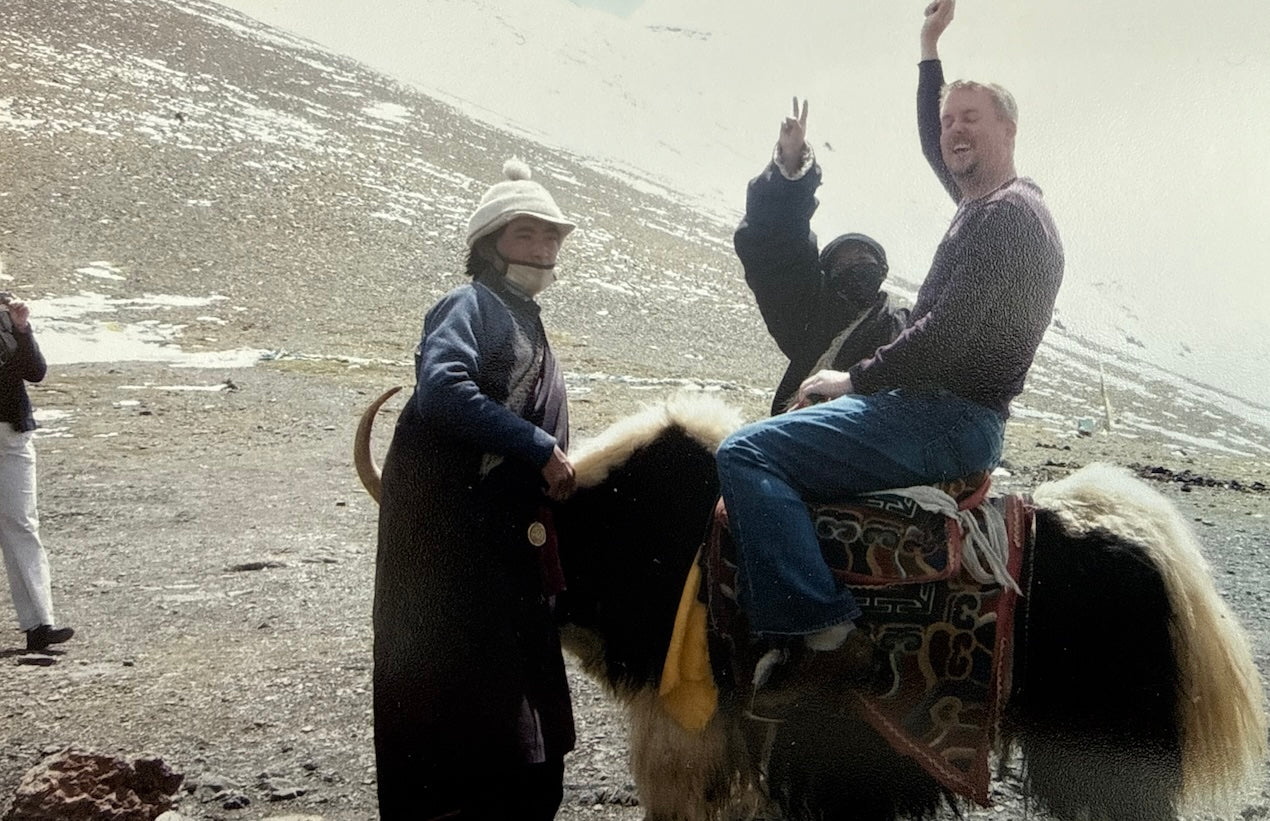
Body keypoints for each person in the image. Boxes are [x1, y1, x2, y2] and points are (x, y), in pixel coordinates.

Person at [716, 0, 1064, 709]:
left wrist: (854, 379)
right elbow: (931, 135)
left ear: (1009, 128)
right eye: (947, 120)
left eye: (972, 116)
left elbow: (949, 337)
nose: (952, 129)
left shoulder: (1007, 217)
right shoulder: (990, 206)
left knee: (745, 454)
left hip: (947, 414)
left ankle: (825, 639)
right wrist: (928, 46)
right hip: (944, 410)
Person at [372, 159, 578, 819]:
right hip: (453, 541)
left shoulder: (523, 316)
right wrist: (540, 447)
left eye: (551, 237)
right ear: (490, 243)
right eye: (526, 235)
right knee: (458, 700)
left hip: (500, 540)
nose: (543, 249)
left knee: (512, 693)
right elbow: (443, 388)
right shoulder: (471, 305)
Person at [734, 98, 910, 416]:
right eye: (844, 264)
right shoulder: (809, 317)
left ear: (882, 273)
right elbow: (776, 246)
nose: (855, 269)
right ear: (828, 277)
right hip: (797, 432)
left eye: (865, 263)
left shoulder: (902, 330)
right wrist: (791, 168)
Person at [0, 292, 74, 652]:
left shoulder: (9, 322)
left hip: (12, 435)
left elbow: (37, 372)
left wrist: (22, 329)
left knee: (23, 525)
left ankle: (40, 624)